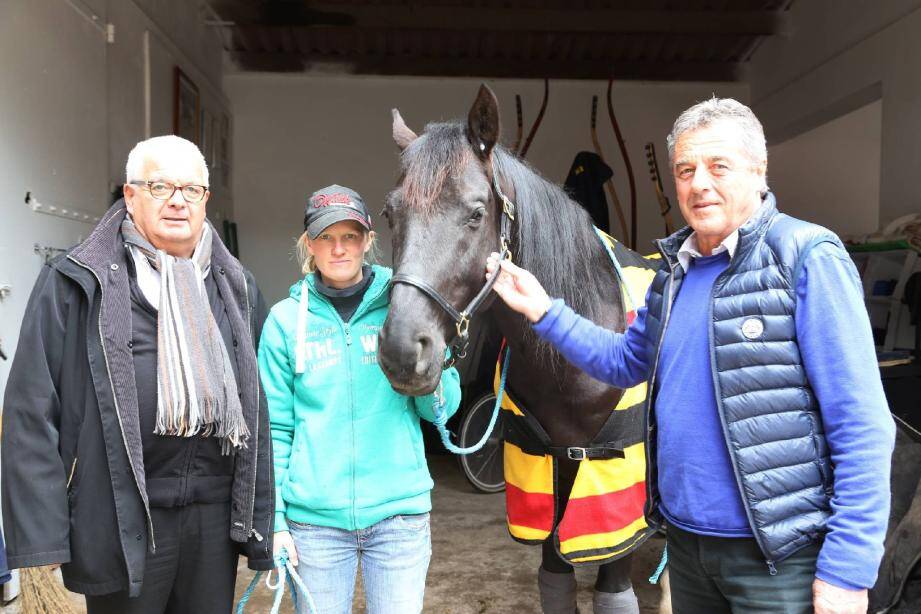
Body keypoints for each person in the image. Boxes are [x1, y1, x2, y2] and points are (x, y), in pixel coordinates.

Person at [485, 98, 896, 614]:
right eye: (685, 169)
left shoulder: (806, 256)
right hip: (685, 547)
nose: (699, 182)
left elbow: (862, 425)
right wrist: (544, 311)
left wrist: (848, 569)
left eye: (717, 165)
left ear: (758, 170)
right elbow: (626, 362)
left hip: (778, 557)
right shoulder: (671, 274)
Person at [1, 135, 275, 613]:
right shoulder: (76, 280)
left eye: (191, 190)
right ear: (130, 196)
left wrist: (260, 517)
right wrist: (42, 534)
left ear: (206, 200)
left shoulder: (236, 286)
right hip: (122, 511)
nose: (177, 200)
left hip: (212, 517)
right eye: (160, 186)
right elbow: (31, 408)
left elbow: (259, 407)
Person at [258, 184, 461, 614]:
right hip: (314, 525)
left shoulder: (402, 306)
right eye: (326, 237)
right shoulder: (283, 322)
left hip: (398, 519)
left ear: (368, 240)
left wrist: (436, 360)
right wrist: (275, 522)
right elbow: (274, 429)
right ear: (309, 244)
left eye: (349, 236)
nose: (338, 249)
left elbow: (439, 410)